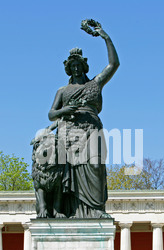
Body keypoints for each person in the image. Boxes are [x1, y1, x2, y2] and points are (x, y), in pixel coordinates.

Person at [48, 24, 119, 218]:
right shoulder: (62, 91)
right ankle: (71, 211)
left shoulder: (94, 83)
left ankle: (95, 209)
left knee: (95, 166)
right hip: (69, 132)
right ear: (69, 69)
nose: (76, 68)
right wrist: (65, 109)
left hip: (92, 129)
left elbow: (113, 65)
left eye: (79, 65)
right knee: (69, 171)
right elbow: (51, 114)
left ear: (84, 66)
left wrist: (105, 37)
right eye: (73, 66)